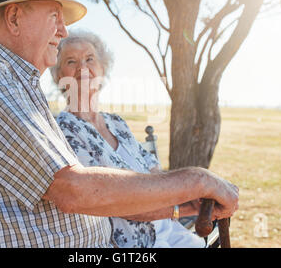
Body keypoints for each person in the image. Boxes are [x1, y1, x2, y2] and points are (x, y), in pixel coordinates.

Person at [0, 0, 239, 248]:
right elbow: (71, 189)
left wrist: (181, 204)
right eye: (55, 17)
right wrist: (198, 180)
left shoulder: (12, 83)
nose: (63, 31)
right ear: (14, 17)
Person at [51, 30, 208, 247]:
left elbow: (153, 171)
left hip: (166, 228)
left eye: (90, 59)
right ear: (59, 76)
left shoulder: (116, 123)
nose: (82, 68)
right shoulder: (65, 129)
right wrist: (183, 207)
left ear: (103, 69)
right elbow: (115, 200)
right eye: (71, 61)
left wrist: (189, 197)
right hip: (134, 243)